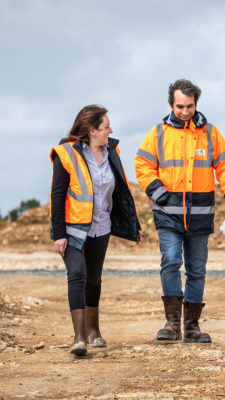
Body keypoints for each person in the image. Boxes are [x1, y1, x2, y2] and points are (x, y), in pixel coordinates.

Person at [134, 79, 225, 343]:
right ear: (171, 104)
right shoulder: (158, 133)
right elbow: (142, 164)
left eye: (189, 106)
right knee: (171, 261)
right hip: (167, 213)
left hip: (200, 214)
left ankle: (192, 327)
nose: (184, 111)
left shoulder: (210, 134)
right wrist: (160, 193)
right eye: (179, 106)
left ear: (196, 103)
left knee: (197, 269)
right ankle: (172, 325)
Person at [50, 105, 144, 355]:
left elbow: (121, 191)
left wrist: (134, 226)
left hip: (101, 227)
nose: (110, 130)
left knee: (94, 280)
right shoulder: (65, 154)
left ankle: (94, 331)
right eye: (106, 126)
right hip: (73, 228)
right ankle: (79, 337)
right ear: (92, 131)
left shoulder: (112, 150)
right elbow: (57, 195)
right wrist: (59, 233)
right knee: (77, 275)